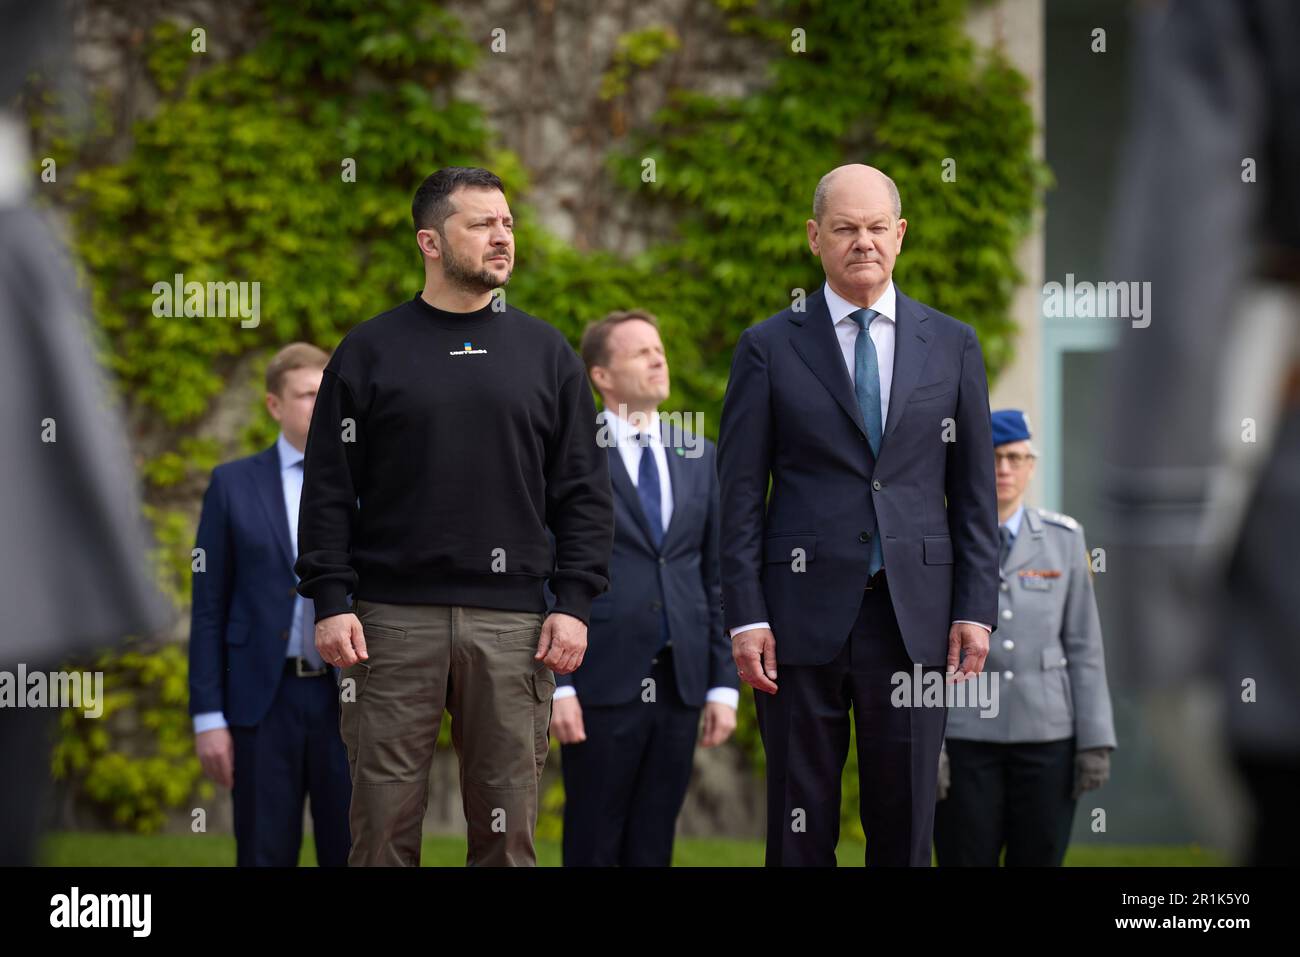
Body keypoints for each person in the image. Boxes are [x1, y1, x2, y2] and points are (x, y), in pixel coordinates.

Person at [295, 166, 613, 866]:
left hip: (514, 627)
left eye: (508, 223)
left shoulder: (547, 354)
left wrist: (576, 601)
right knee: (380, 832)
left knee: (506, 837)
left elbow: (584, 490)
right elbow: (326, 487)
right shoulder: (369, 350)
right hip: (387, 623)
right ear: (430, 241)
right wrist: (328, 597)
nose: (502, 237)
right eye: (482, 224)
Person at [717, 164, 999, 866]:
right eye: (845, 228)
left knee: (905, 826)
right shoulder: (769, 345)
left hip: (914, 618)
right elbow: (740, 496)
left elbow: (973, 494)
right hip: (795, 620)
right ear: (816, 238)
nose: (863, 242)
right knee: (799, 823)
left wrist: (976, 607)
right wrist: (746, 614)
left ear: (900, 235)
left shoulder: (954, 344)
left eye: (877, 228)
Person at [552, 310, 737, 866]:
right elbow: (546, 568)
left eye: (659, 349)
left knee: (655, 839)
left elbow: (716, 573)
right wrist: (559, 687)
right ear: (601, 376)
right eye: (640, 353)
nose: (658, 359)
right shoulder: (569, 454)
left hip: (682, 680)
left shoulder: (698, 454)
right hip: (599, 676)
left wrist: (723, 685)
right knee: (593, 837)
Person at [190, 344, 353, 866]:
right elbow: (210, 605)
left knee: (352, 849)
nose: (321, 404)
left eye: (328, 394)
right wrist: (208, 716)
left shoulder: (367, 483)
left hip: (347, 698)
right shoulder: (232, 484)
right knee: (263, 851)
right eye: (308, 394)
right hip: (263, 699)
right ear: (273, 405)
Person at [934, 409, 1117, 866]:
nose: (1004, 469)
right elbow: (922, 649)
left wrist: (1095, 738)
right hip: (965, 736)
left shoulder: (1064, 539)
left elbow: (1084, 646)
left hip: (1047, 738)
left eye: (1016, 458)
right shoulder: (937, 540)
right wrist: (928, 747)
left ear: (1031, 466)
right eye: (993, 457)